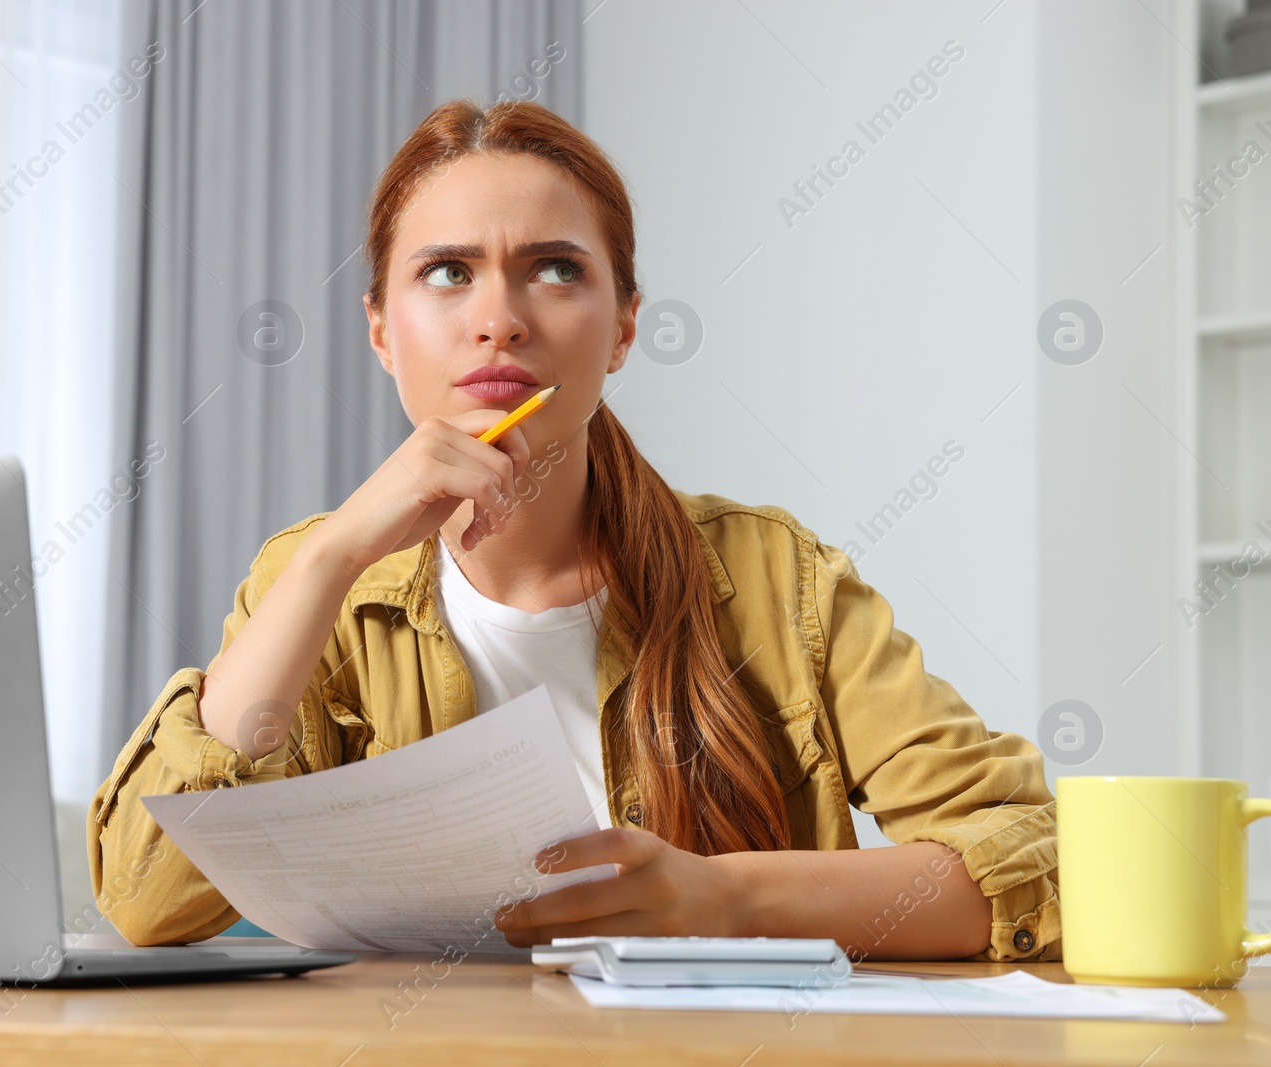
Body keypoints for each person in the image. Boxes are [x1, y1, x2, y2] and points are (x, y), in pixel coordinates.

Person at [87, 98, 1059, 963]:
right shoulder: (313, 582)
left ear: (624, 326)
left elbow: (1034, 859)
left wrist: (726, 897)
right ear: (380, 328)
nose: (499, 319)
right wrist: (329, 559)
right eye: (446, 272)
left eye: (553, 269)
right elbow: (147, 899)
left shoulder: (778, 578)